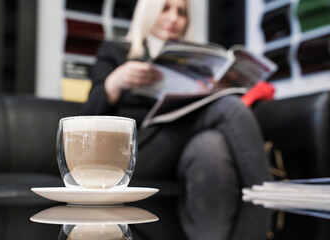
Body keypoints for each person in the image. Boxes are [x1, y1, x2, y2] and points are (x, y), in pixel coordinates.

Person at [82, 0, 273, 239]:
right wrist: (115, 81)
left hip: (184, 149)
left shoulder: (194, 60)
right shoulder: (117, 52)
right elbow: (87, 118)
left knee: (211, 146)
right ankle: (268, 196)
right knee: (229, 108)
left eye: (181, 12)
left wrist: (214, 89)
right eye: (165, 8)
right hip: (138, 154)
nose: (174, 18)